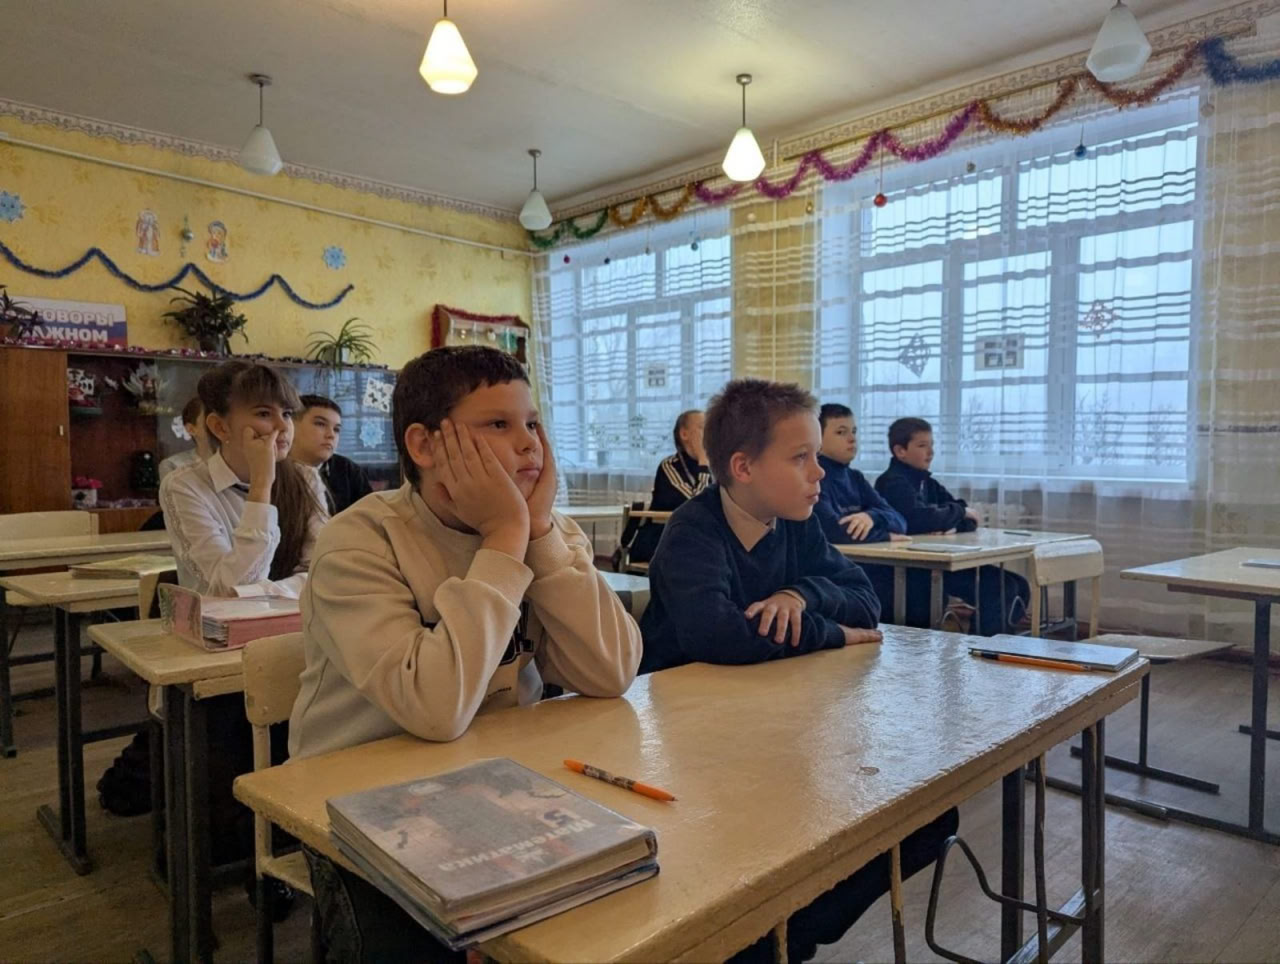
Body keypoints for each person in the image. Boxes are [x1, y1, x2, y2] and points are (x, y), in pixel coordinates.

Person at [289, 345, 642, 962]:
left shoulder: (543, 529)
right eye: (499, 424)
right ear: (424, 446)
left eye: (533, 423)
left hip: (501, 786)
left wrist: (536, 535)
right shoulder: (360, 541)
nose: (530, 445)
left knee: (619, 915)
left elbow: (610, 672)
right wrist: (505, 538)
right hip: (359, 801)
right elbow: (435, 710)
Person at [638, 379, 956, 963]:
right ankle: (765, 940)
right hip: (694, 742)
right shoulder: (692, 532)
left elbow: (865, 600)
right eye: (801, 458)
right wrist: (828, 633)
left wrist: (800, 594)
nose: (819, 475)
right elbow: (720, 636)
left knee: (930, 817)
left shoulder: (795, 520)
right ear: (743, 467)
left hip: (775, 721)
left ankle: (785, 937)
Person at [159, 361, 329, 598]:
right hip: (216, 620)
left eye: (287, 414)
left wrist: (264, 591)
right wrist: (261, 485)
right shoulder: (184, 486)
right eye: (264, 413)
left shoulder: (305, 477)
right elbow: (228, 589)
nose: (283, 426)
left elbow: (324, 570)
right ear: (220, 427)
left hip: (295, 616)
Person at [875, 417, 1029, 635]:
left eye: (932, 445)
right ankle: (981, 646)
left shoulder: (927, 482)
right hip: (915, 568)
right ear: (900, 451)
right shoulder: (893, 482)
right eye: (922, 445)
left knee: (1019, 585)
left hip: (941, 561)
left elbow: (966, 513)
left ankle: (990, 640)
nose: (931, 452)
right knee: (1001, 589)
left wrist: (952, 525)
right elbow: (918, 518)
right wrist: (952, 516)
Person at [813, 402, 908, 618]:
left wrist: (871, 516)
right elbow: (835, 531)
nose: (852, 439)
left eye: (854, 431)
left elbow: (900, 521)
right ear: (817, 439)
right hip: (835, 575)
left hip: (867, 569)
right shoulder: (816, 477)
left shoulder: (855, 477)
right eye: (841, 432)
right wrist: (885, 536)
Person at [623, 409, 711, 565]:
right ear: (684, 434)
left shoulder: (715, 466)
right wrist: (703, 461)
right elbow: (696, 504)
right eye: (702, 427)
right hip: (665, 538)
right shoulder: (669, 466)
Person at [290, 393, 374, 515]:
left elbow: (372, 518)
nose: (331, 435)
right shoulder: (274, 468)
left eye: (336, 429)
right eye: (320, 424)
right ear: (291, 426)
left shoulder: (348, 470)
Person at [157, 396, 215, 480]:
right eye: (209, 420)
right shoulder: (173, 465)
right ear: (191, 429)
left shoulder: (233, 462)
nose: (217, 425)